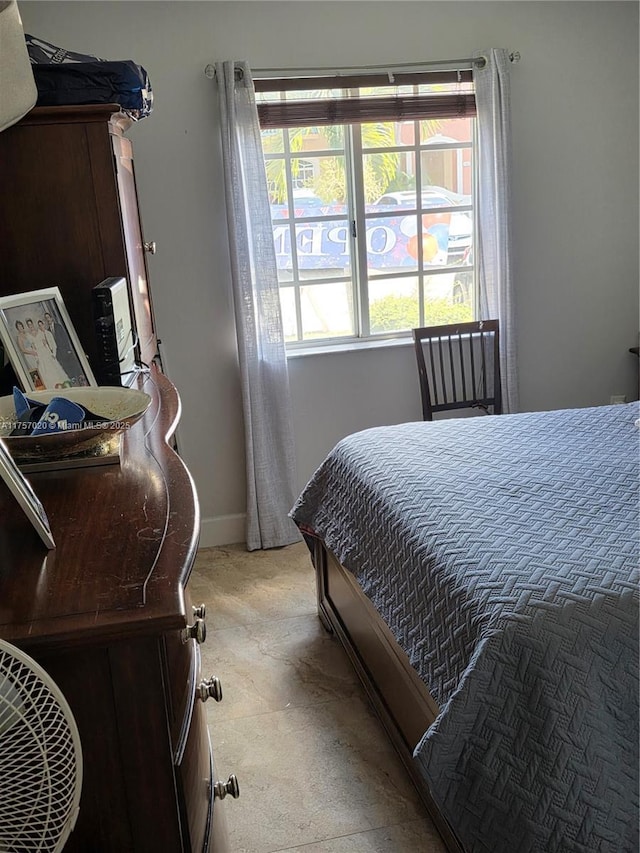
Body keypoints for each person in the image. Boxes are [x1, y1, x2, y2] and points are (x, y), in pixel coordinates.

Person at [32, 318, 70, 389]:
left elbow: (54, 345)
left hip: (52, 353)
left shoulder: (48, 333)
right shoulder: (40, 335)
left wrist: (53, 354)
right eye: (39, 326)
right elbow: (42, 345)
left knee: (56, 368)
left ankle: (62, 383)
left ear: (43, 325)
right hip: (45, 353)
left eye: (41, 325)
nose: (41, 327)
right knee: (48, 370)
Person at [44, 309, 80, 379]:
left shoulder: (58, 326)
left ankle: (78, 377)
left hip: (65, 349)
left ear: (51, 318)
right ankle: (72, 378)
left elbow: (65, 338)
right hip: (58, 352)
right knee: (65, 366)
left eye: (48, 317)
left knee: (71, 363)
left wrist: (68, 349)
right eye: (46, 319)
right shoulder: (48, 331)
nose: (47, 319)